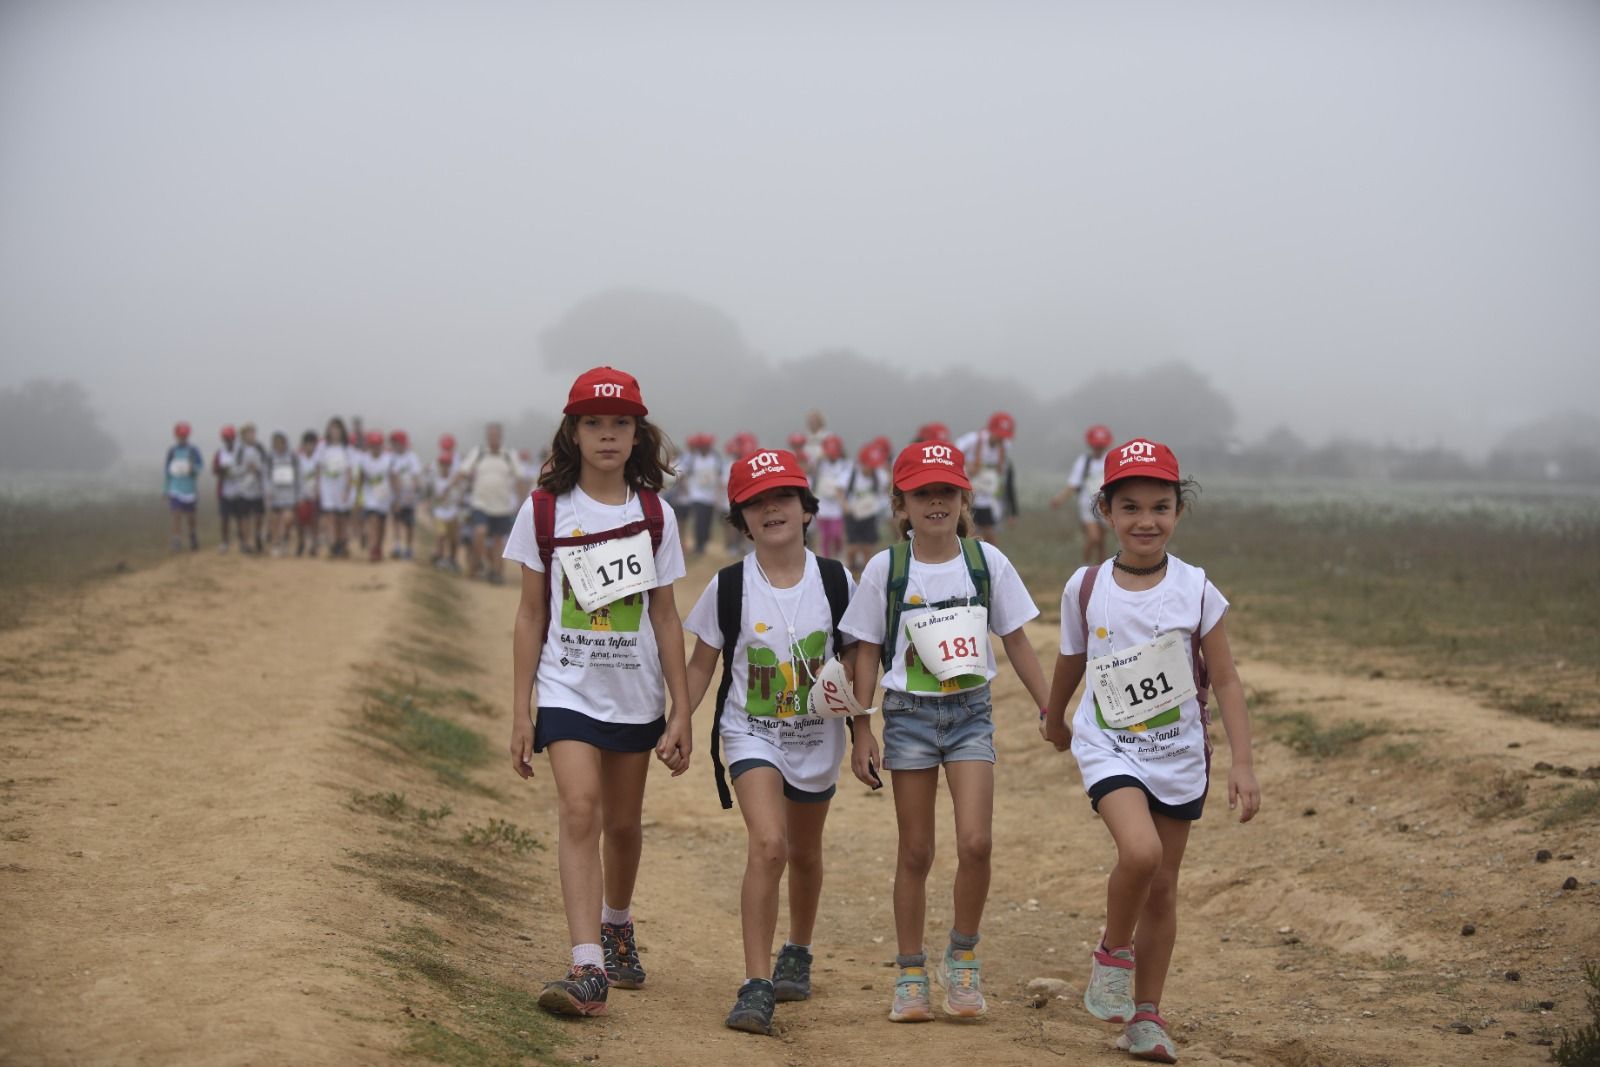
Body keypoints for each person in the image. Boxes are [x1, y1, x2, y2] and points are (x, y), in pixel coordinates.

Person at [1041, 438, 1260, 1063]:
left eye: (1160, 507)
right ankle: (1113, 951)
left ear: (1178, 512)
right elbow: (1071, 658)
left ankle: (1146, 1016)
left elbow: (1226, 680)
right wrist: (1054, 717)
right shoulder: (1085, 588)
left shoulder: (1196, 589)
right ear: (1105, 511)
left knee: (1162, 888)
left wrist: (1243, 764)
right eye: (1129, 506)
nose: (1145, 521)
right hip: (1109, 746)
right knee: (1139, 852)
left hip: (1179, 755)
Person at [840, 442, 1051, 1022]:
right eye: (922, 492)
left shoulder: (987, 563)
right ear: (901, 505)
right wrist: (862, 727)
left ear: (964, 499)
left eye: (947, 491)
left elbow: (1015, 639)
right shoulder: (886, 569)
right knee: (916, 850)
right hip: (907, 716)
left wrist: (1049, 708)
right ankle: (910, 972)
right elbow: (865, 649)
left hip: (970, 715)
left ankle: (963, 957)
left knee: (976, 843)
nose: (936, 501)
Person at [504, 366, 690, 1019]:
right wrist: (523, 707)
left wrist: (682, 708)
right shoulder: (544, 509)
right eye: (594, 423)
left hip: (634, 692)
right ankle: (587, 964)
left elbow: (665, 616)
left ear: (637, 432)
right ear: (573, 431)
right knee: (579, 810)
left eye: (619, 423)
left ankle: (616, 922)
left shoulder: (654, 513)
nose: (607, 434)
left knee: (622, 823)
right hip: (566, 688)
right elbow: (531, 614)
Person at [681, 449, 855, 1036]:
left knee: (805, 853)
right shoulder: (729, 587)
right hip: (750, 732)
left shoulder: (836, 581)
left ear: (807, 510)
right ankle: (756, 984)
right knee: (771, 845)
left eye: (782, 498)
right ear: (742, 520)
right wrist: (680, 718)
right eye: (756, 503)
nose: (771, 509)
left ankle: (797, 952)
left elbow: (858, 662)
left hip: (818, 737)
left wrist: (865, 732)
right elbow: (703, 664)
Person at [453, 422, 521, 584]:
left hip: (502, 506)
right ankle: (477, 562)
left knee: (498, 541)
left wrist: (521, 501)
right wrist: (451, 488)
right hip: (480, 503)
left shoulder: (509, 455)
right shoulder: (479, 453)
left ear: (501, 436)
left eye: (496, 435)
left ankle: (496, 572)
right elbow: (463, 471)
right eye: (490, 435)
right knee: (480, 532)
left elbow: (520, 477)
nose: (493, 438)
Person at [1052, 424, 1115, 566]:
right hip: (1087, 506)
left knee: (1101, 542)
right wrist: (1060, 499)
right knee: (1094, 538)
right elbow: (1073, 484)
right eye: (1096, 446)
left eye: (1101, 446)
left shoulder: (1111, 460)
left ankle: (1102, 570)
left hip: (1105, 505)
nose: (1098, 449)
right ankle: (1084, 566)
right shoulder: (1084, 462)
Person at [842, 442, 889, 577]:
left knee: (868, 547)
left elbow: (887, 487)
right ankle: (850, 572)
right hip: (854, 514)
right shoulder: (851, 473)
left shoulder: (878, 474)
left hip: (869, 514)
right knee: (853, 547)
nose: (872, 468)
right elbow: (839, 489)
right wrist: (844, 505)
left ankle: (867, 574)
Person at [316, 417, 356, 558]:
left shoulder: (347, 449)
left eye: (337, 429)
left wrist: (347, 489)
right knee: (330, 516)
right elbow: (319, 468)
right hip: (328, 487)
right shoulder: (323, 447)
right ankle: (332, 544)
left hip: (342, 487)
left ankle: (341, 542)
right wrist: (317, 486)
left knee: (342, 518)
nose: (335, 432)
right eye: (332, 428)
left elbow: (350, 470)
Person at [356, 429, 396, 562]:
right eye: (373, 446)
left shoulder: (388, 459)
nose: (375, 448)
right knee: (373, 520)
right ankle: (373, 547)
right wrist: (358, 497)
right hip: (370, 497)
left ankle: (378, 547)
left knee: (382, 523)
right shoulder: (364, 460)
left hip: (384, 496)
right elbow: (361, 479)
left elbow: (393, 478)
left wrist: (396, 497)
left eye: (377, 445)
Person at [679, 434, 723, 557]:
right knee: (699, 521)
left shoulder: (715, 458)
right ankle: (698, 546)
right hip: (697, 495)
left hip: (711, 496)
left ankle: (703, 543)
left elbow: (719, 475)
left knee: (707, 521)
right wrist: (685, 488)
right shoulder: (693, 458)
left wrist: (719, 495)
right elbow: (683, 473)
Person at [163, 422, 203, 552]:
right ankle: (176, 540)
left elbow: (200, 466)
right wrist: (165, 489)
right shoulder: (172, 451)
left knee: (191, 516)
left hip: (190, 488)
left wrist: (193, 469)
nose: (182, 438)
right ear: (176, 436)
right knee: (176, 514)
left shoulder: (193, 450)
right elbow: (167, 471)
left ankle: (192, 536)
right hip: (175, 488)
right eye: (180, 435)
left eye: (184, 436)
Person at [811, 434, 851, 561]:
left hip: (836, 506)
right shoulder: (821, 463)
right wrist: (818, 459)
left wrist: (843, 503)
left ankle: (838, 553)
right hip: (822, 505)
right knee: (825, 536)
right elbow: (813, 473)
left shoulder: (845, 465)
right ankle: (826, 559)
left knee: (836, 534)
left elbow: (841, 487)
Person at [427, 446, 465, 572]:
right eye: (442, 464)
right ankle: (440, 557)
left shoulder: (455, 480)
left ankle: (452, 559)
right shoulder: (434, 479)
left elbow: (460, 494)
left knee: (454, 539)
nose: (445, 467)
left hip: (452, 512)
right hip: (439, 512)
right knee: (441, 535)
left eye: (447, 464)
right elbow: (430, 496)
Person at [234, 423, 269, 555]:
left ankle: (258, 536)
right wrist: (246, 468)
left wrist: (258, 469)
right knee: (245, 517)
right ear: (243, 435)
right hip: (243, 489)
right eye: (248, 433)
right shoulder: (239, 450)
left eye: (253, 432)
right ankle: (246, 542)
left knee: (259, 516)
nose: (251, 435)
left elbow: (266, 465)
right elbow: (234, 469)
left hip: (258, 489)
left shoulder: (260, 448)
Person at [389, 430, 423, 561]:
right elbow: (391, 476)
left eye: (396, 443)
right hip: (395, 495)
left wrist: (415, 491)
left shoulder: (411, 457)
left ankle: (408, 548)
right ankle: (397, 546)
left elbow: (416, 475)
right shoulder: (392, 457)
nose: (395, 445)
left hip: (409, 496)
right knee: (396, 520)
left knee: (409, 524)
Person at [264, 431, 300, 557]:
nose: (279, 444)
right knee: (274, 520)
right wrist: (267, 490)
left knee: (287, 518)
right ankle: (276, 544)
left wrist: (299, 493)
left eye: (281, 442)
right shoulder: (270, 457)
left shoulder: (292, 457)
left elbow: (298, 475)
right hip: (275, 494)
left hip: (289, 493)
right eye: (276, 442)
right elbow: (266, 475)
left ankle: (284, 537)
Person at [213, 425, 240, 553]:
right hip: (224, 490)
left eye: (230, 438)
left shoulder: (240, 452)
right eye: (226, 439)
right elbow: (215, 470)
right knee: (224, 518)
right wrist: (222, 471)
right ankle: (224, 542)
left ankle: (242, 541)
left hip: (239, 490)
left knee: (240, 518)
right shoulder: (220, 453)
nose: (228, 441)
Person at [294, 431, 321, 556]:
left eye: (312, 444)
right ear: (303, 445)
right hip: (301, 495)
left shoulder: (318, 458)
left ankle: (314, 545)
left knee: (314, 521)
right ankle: (301, 542)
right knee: (300, 521)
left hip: (314, 495)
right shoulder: (298, 459)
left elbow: (319, 476)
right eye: (307, 444)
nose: (310, 447)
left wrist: (318, 491)